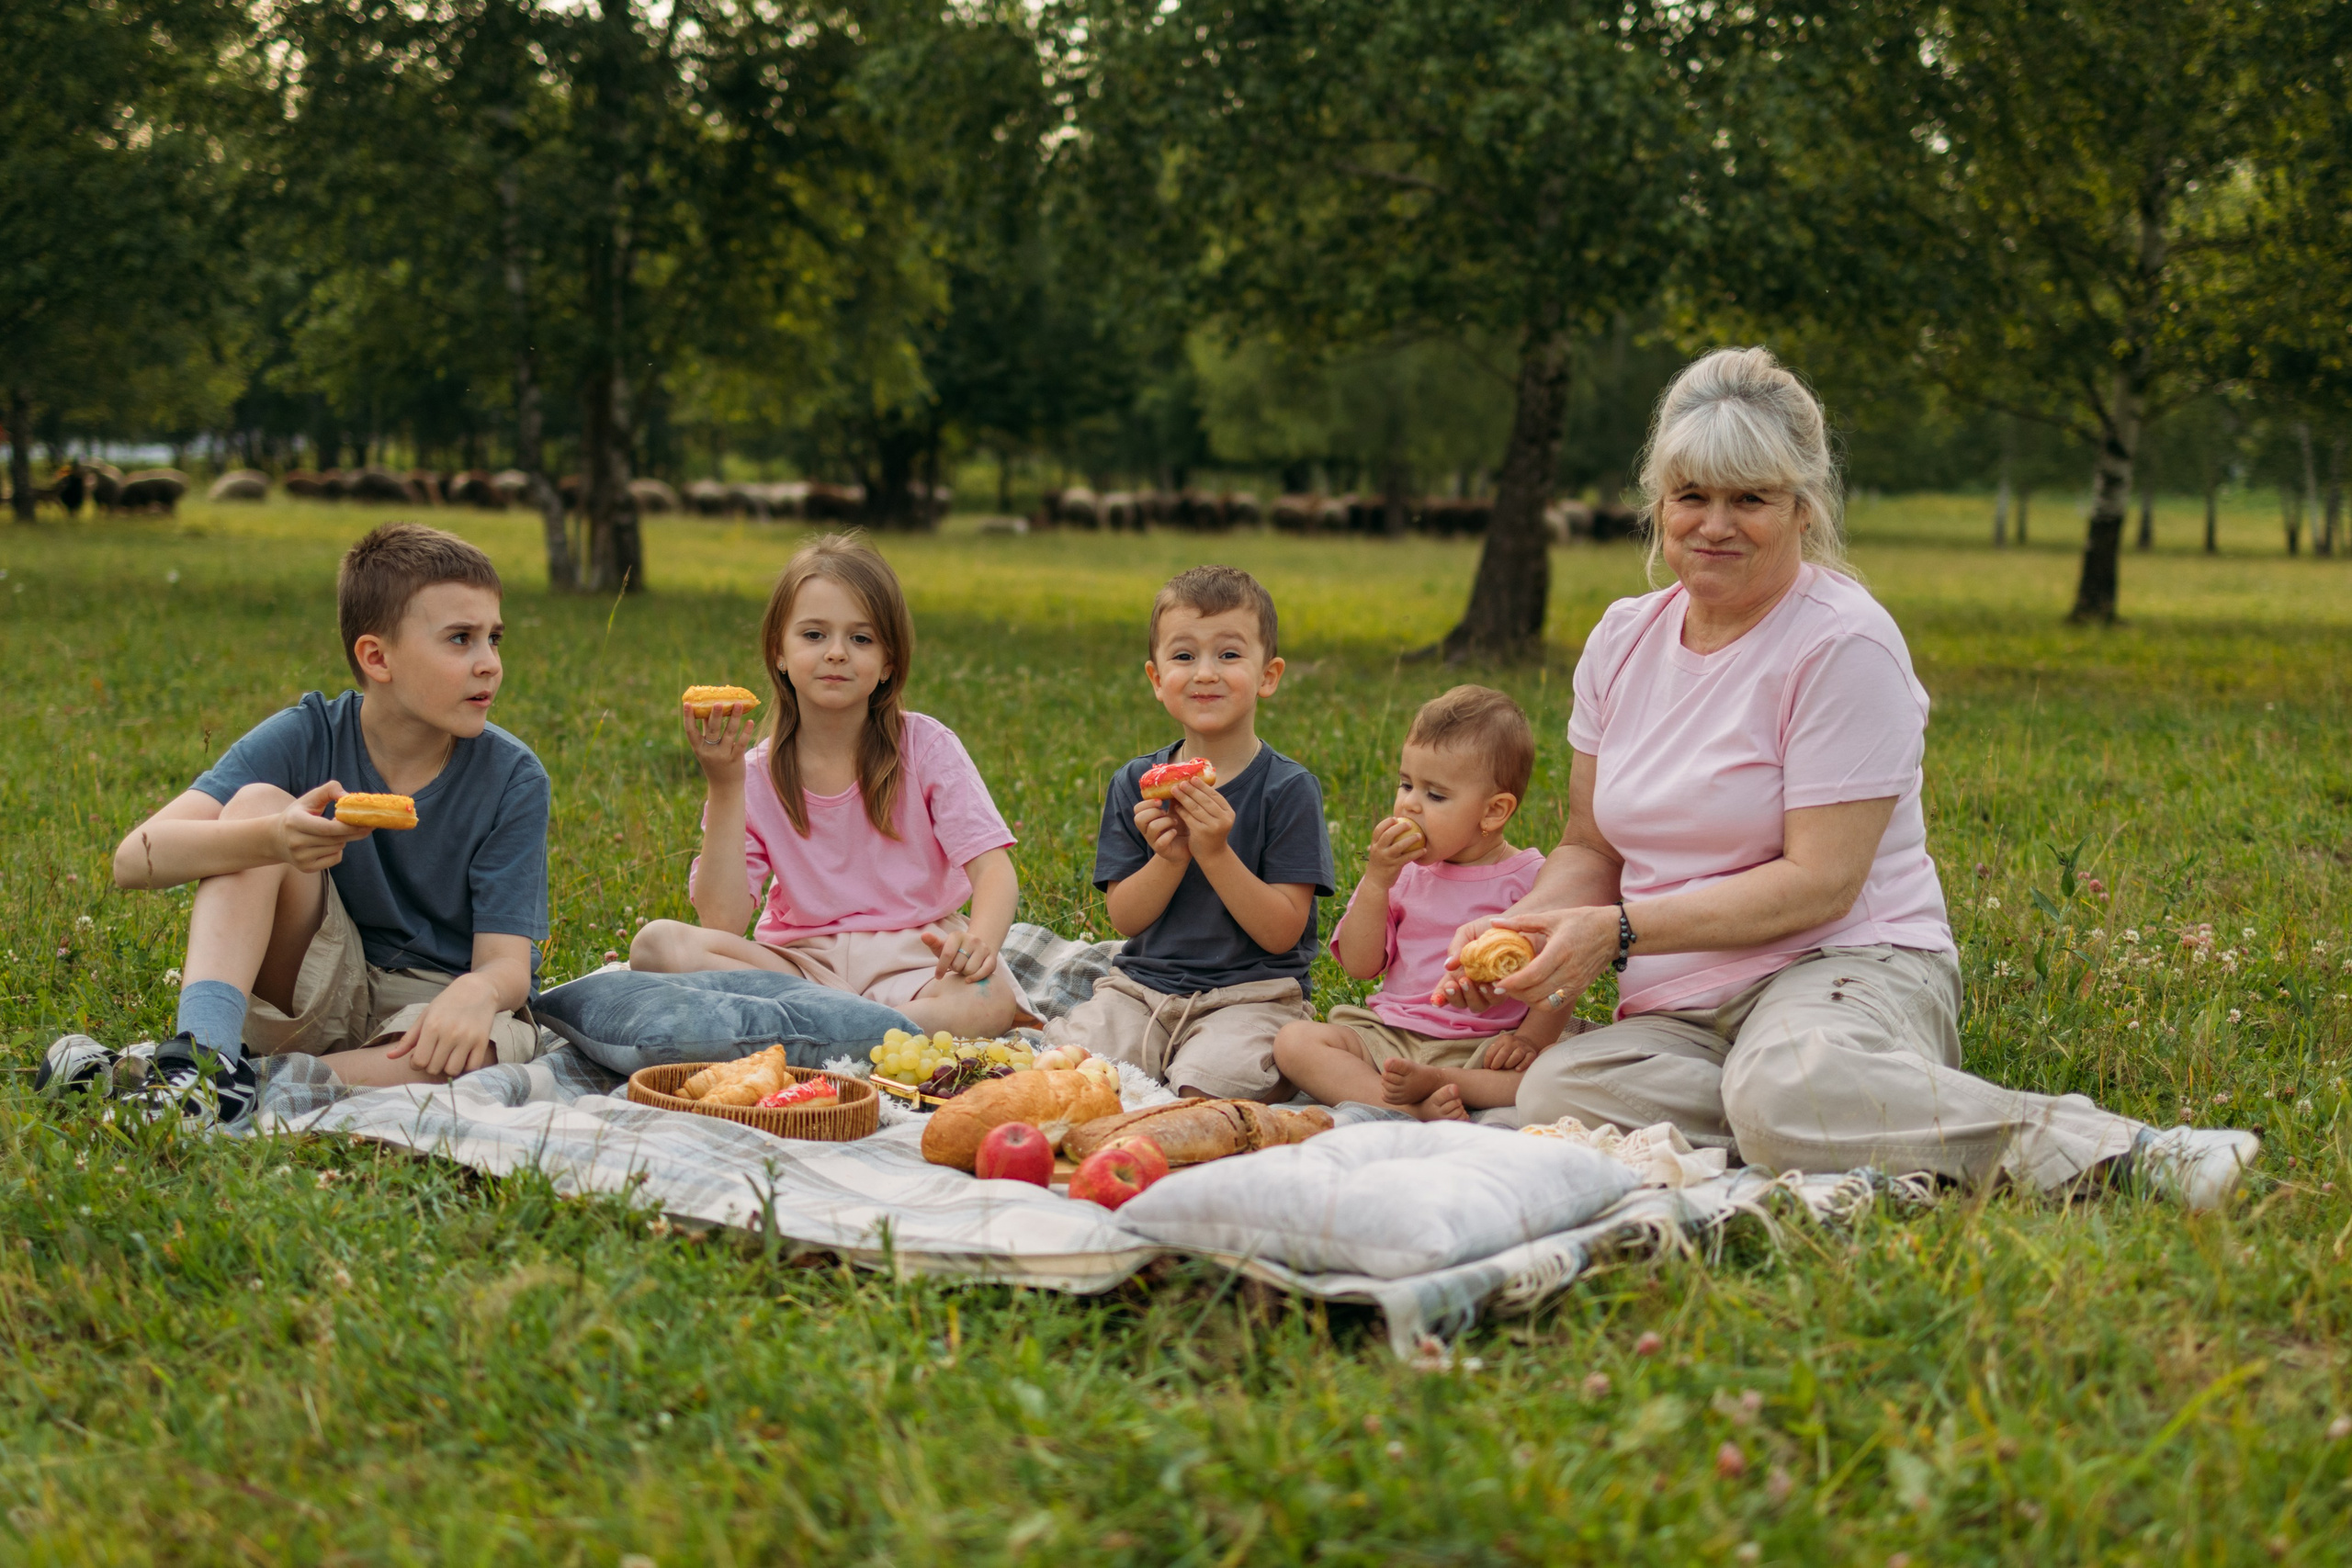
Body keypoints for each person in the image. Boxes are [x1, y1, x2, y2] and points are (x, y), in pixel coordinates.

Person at [1441, 346, 2260, 1209]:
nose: (1715, 523)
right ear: (1659, 505)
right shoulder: (1622, 638)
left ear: (1802, 508)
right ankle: (1838, 1120)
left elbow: (1822, 884)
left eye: (1749, 498)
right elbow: (1588, 845)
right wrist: (1528, 926)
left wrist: (1620, 932)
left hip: (1845, 963)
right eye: (1693, 497)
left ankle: (2126, 1151)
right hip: (1684, 1005)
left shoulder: (1843, 644)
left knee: (1782, 1091)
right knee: (1561, 1093)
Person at [40, 522, 553, 1123]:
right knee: (257, 804)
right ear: (376, 657)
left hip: (433, 1002)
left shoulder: (514, 776)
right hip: (316, 983)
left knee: (491, 1050)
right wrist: (269, 836)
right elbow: (134, 859)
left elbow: (505, 965)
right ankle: (202, 1052)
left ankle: (205, 1081)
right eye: (461, 639)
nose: (489, 663)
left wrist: (480, 992)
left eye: (495, 638)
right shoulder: (308, 732)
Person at [629, 532, 1035, 1036]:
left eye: (861, 638)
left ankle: (827, 1032)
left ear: (889, 661)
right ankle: (863, 1032)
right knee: (656, 945)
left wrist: (980, 941)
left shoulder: (926, 746)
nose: (837, 653)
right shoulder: (751, 774)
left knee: (987, 997)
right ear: (779, 650)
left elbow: (994, 870)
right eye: (814, 635)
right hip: (801, 969)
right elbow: (721, 922)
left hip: (914, 964)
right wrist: (726, 785)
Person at [1046, 565, 1335, 1100]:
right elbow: (1126, 918)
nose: (1205, 673)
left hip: (1253, 996)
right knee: (1068, 1077)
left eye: (1228, 654)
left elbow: (1281, 934)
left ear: (1268, 675)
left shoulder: (1288, 790)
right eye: (1183, 656)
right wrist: (1171, 858)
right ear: (1157, 680)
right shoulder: (1136, 783)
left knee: (1214, 1089)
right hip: (1141, 989)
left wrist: (1215, 851)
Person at [1274, 685, 1583, 1121]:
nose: (1410, 804)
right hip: (1392, 1037)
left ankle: (1438, 1089)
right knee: (1295, 1042)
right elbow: (1361, 966)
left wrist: (1530, 1039)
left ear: (1493, 812)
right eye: (1406, 784)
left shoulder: (1535, 880)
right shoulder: (1402, 873)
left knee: (1542, 1079)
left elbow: (1562, 976)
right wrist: (1378, 880)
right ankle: (1407, 1106)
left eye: (1435, 795)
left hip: (1481, 1046)